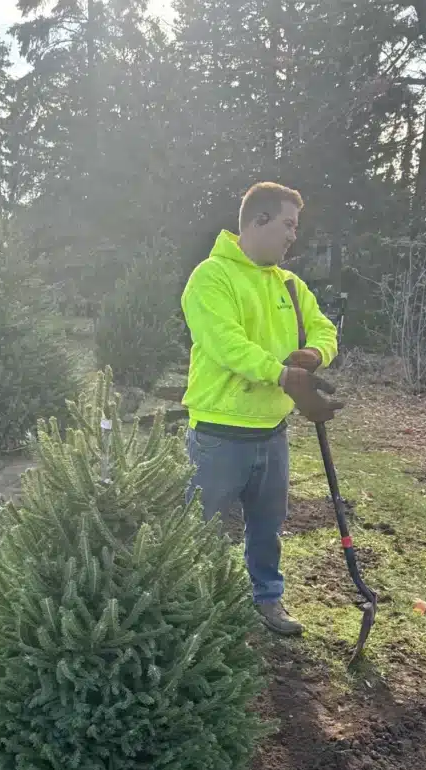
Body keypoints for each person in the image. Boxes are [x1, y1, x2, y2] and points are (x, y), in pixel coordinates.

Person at [180, 181, 343, 635]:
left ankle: (267, 598)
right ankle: (194, 605)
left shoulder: (290, 285)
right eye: (288, 225)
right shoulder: (211, 277)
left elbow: (324, 328)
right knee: (202, 528)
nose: (294, 235)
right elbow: (226, 344)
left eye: (296, 226)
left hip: (272, 432)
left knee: (268, 526)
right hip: (218, 434)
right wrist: (281, 373)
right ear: (259, 221)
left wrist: (315, 355)